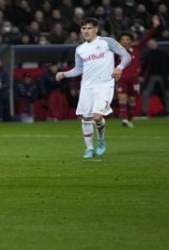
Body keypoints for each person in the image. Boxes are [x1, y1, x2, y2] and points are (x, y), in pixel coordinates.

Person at [55, 18, 131, 159]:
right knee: (86, 117)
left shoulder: (107, 42)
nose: (86, 31)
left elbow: (126, 56)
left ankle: (101, 139)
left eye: (89, 28)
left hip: (104, 86)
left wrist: (119, 67)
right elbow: (78, 69)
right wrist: (64, 74)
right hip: (87, 87)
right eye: (83, 28)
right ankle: (89, 148)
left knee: (97, 117)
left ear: (96, 29)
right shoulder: (80, 49)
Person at [116, 15, 160, 127]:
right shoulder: (116, 52)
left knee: (132, 101)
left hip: (134, 79)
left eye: (127, 39)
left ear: (131, 41)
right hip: (122, 78)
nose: (125, 41)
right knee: (122, 97)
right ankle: (124, 119)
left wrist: (154, 26)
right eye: (123, 39)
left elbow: (146, 37)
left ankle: (130, 119)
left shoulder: (136, 48)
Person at [141, 38, 169, 117]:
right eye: (150, 44)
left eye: (153, 43)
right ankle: (144, 113)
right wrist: (141, 76)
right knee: (146, 93)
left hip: (163, 76)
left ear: (156, 43)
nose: (152, 45)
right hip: (151, 75)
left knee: (167, 93)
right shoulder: (148, 54)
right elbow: (144, 66)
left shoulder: (163, 53)